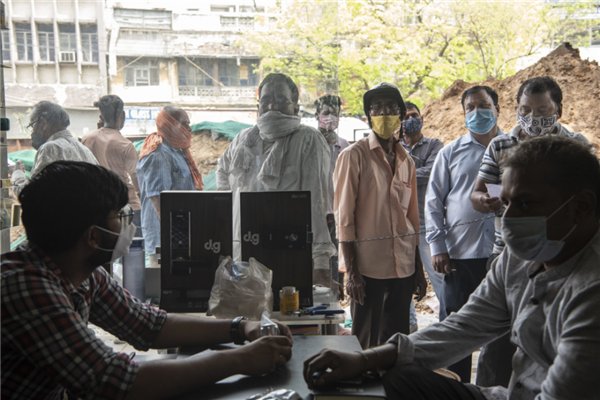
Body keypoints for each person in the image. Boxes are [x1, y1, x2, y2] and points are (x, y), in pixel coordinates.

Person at [304, 136, 600, 400]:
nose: (508, 218)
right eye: (506, 203)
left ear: (582, 206)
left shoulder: (591, 291)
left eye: (525, 204)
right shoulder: (516, 260)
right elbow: (464, 327)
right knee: (396, 378)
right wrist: (365, 360)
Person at [1, 161, 292, 400]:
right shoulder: (25, 288)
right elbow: (117, 383)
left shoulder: (82, 272)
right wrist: (240, 360)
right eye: (120, 216)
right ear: (93, 236)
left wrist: (242, 327)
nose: (127, 224)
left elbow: (150, 325)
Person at [216, 73, 336, 287]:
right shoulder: (244, 139)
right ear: (258, 107)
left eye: (281, 99)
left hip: (290, 252)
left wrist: (320, 264)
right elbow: (222, 172)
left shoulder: (307, 139)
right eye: (266, 100)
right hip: (244, 251)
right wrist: (227, 224)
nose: (272, 105)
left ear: (296, 108)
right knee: (248, 307)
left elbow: (316, 202)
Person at [334, 82, 427, 349]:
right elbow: (344, 219)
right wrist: (352, 272)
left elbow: (412, 220)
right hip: (367, 269)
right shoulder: (354, 155)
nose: (384, 112)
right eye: (377, 107)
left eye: (390, 106)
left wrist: (418, 270)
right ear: (369, 115)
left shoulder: (407, 161)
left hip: (403, 267)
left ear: (400, 114)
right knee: (366, 342)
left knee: (395, 344)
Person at [425, 86, 501, 382]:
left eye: (484, 105)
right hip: (460, 255)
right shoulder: (450, 153)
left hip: (502, 256)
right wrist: (438, 247)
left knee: (501, 335)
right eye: (471, 107)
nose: (478, 111)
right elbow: (434, 203)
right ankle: (454, 390)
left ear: (497, 109)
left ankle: (493, 390)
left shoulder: (511, 148)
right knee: (455, 332)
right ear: (464, 114)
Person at [136, 106, 203, 267]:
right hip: (165, 238)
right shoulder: (160, 153)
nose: (189, 129)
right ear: (170, 125)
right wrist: (175, 234)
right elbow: (158, 199)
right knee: (165, 279)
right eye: (184, 124)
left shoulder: (176, 151)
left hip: (177, 236)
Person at [400, 101, 444, 326]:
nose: (411, 120)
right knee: (402, 277)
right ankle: (408, 323)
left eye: (414, 115)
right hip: (400, 225)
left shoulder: (434, 145)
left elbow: (433, 172)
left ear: (422, 118)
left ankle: (448, 321)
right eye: (406, 117)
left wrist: (399, 176)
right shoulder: (394, 147)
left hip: (428, 224)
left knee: (439, 276)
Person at [83, 95, 142, 237]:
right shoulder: (125, 145)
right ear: (123, 115)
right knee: (132, 246)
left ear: (101, 117)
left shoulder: (87, 138)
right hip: (127, 205)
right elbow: (136, 179)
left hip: (98, 204)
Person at [11, 101, 98, 197]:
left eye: (32, 125)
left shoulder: (50, 148)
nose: (32, 131)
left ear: (43, 122)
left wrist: (17, 174)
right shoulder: (84, 150)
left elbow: (29, 194)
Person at [314, 94, 350, 293]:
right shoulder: (308, 142)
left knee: (336, 265)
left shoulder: (344, 146)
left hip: (336, 216)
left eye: (335, 114)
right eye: (326, 113)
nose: (331, 118)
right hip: (315, 214)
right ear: (316, 115)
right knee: (316, 264)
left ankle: (335, 305)